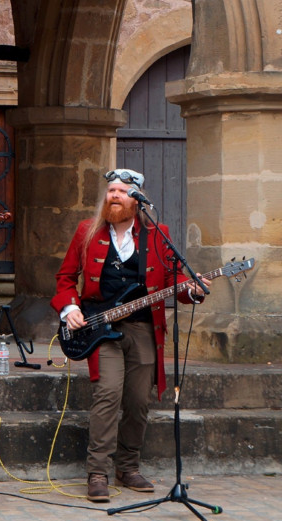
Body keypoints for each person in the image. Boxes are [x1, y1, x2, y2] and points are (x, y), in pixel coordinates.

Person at [52, 168, 208, 502]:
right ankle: (97, 472)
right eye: (111, 190)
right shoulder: (87, 231)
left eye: (122, 191)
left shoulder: (156, 234)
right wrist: (71, 308)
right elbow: (65, 277)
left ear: (136, 198)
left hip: (143, 328)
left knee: (138, 401)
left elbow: (175, 282)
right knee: (108, 393)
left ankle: (128, 466)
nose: (114, 196)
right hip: (101, 327)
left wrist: (192, 290)